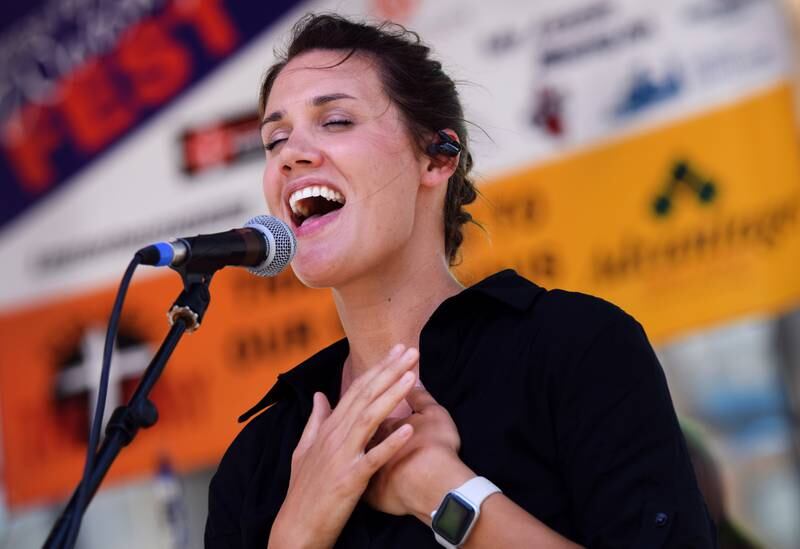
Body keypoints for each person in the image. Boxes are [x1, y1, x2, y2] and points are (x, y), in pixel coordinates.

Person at [205, 13, 717, 549]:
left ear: (437, 157)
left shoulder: (574, 348)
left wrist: (442, 491)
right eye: (275, 138)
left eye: (336, 121)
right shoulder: (259, 459)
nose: (291, 154)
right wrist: (297, 531)